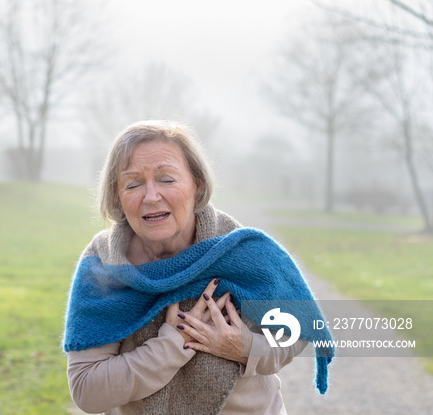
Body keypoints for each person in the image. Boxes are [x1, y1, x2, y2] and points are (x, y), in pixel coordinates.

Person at [63, 120, 318, 415]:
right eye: (133, 184)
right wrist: (173, 344)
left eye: (167, 179)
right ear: (117, 196)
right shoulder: (104, 264)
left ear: (197, 185)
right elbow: (87, 390)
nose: (151, 196)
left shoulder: (242, 251)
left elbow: (296, 331)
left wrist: (244, 347)